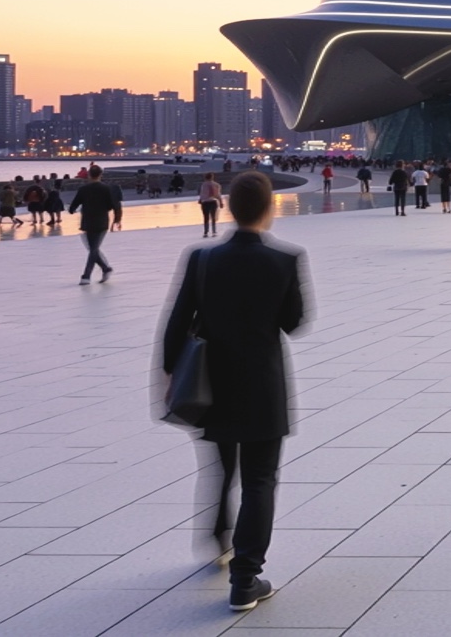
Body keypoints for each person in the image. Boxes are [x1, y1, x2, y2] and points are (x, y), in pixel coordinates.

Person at [160, 171, 307, 613]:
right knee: (260, 478)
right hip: (262, 382)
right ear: (270, 208)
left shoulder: (201, 259)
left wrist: (172, 375)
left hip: (212, 383)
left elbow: (175, 324)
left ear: (227, 207)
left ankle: (219, 535)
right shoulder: (285, 260)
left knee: (222, 467)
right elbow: (295, 321)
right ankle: (246, 578)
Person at [69, 164, 123, 282]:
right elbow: (115, 205)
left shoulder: (83, 189)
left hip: (87, 221)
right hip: (102, 221)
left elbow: (74, 205)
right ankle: (105, 269)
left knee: (93, 248)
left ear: (89, 175)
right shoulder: (107, 188)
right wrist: (117, 219)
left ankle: (86, 276)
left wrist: (72, 210)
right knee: (94, 248)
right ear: (100, 175)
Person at [198, 173, 222, 238]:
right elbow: (218, 194)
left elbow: (202, 193)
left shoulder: (203, 185)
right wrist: (221, 202)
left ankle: (206, 232)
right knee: (213, 217)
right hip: (213, 202)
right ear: (212, 177)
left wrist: (200, 199)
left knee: (206, 217)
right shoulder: (216, 184)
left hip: (205, 202)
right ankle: (214, 232)